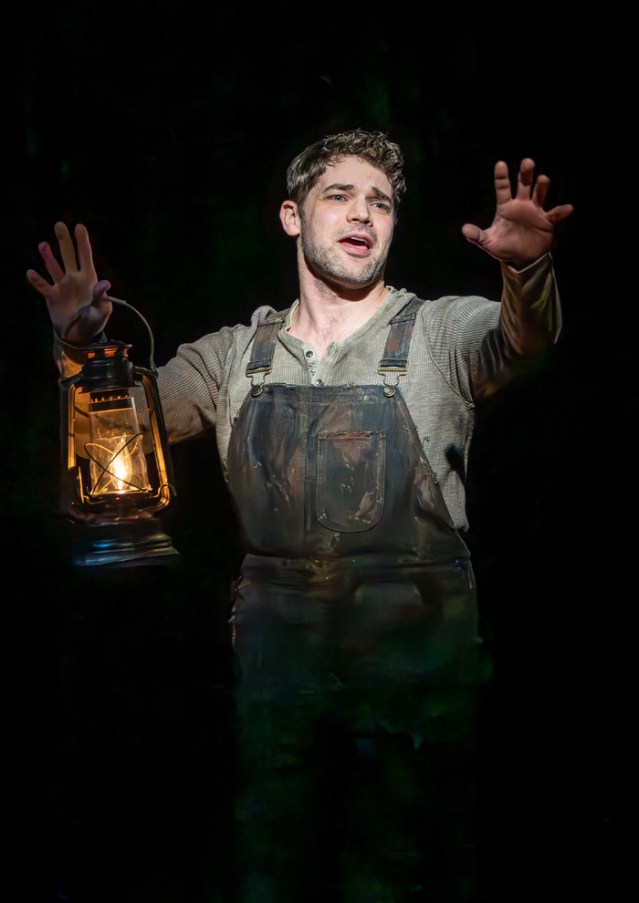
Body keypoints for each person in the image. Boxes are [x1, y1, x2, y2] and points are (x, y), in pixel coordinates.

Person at [27, 129, 573, 902]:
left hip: (413, 688)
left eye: (379, 203)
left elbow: (524, 337)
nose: (362, 214)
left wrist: (525, 270)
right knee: (276, 874)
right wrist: (84, 345)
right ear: (292, 216)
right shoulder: (233, 355)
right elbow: (124, 421)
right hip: (278, 684)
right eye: (338, 196)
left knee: (401, 877)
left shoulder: (439, 331)